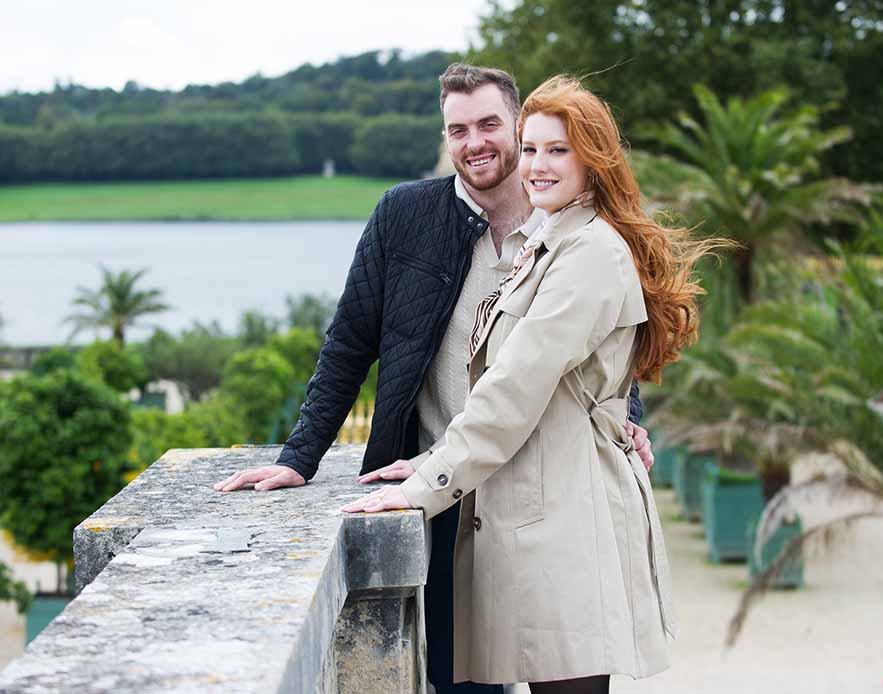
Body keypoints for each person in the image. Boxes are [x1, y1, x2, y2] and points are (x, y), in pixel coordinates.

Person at [215, 65, 654, 694]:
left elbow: (577, 355)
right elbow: (348, 344)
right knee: (461, 681)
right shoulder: (406, 215)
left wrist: (626, 418)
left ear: (516, 124)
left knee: (559, 664)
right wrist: (300, 455)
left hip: (532, 487)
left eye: (491, 126)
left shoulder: (561, 232)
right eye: (457, 129)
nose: (476, 142)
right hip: (440, 495)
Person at [341, 75, 723, 693]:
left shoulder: (589, 253)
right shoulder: (552, 240)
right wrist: (426, 459)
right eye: (534, 147)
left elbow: (514, 389)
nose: (539, 165)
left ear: (593, 160)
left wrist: (421, 488)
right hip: (538, 518)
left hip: (569, 523)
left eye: (558, 150)